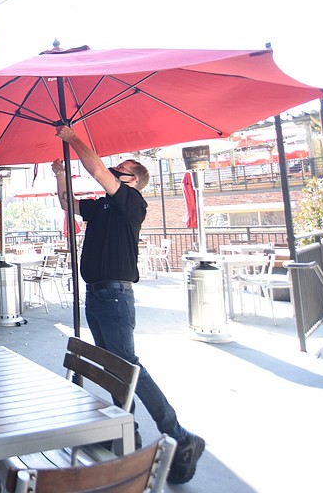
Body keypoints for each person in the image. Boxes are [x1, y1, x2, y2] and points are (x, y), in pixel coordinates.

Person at [53, 125, 205, 485]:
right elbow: (66, 202)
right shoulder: (104, 205)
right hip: (96, 291)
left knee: (128, 366)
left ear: (133, 179)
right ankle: (127, 430)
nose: (115, 168)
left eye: (122, 167)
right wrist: (60, 174)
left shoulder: (132, 201)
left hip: (116, 294)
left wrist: (73, 139)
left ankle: (180, 435)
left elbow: (95, 170)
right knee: (112, 366)